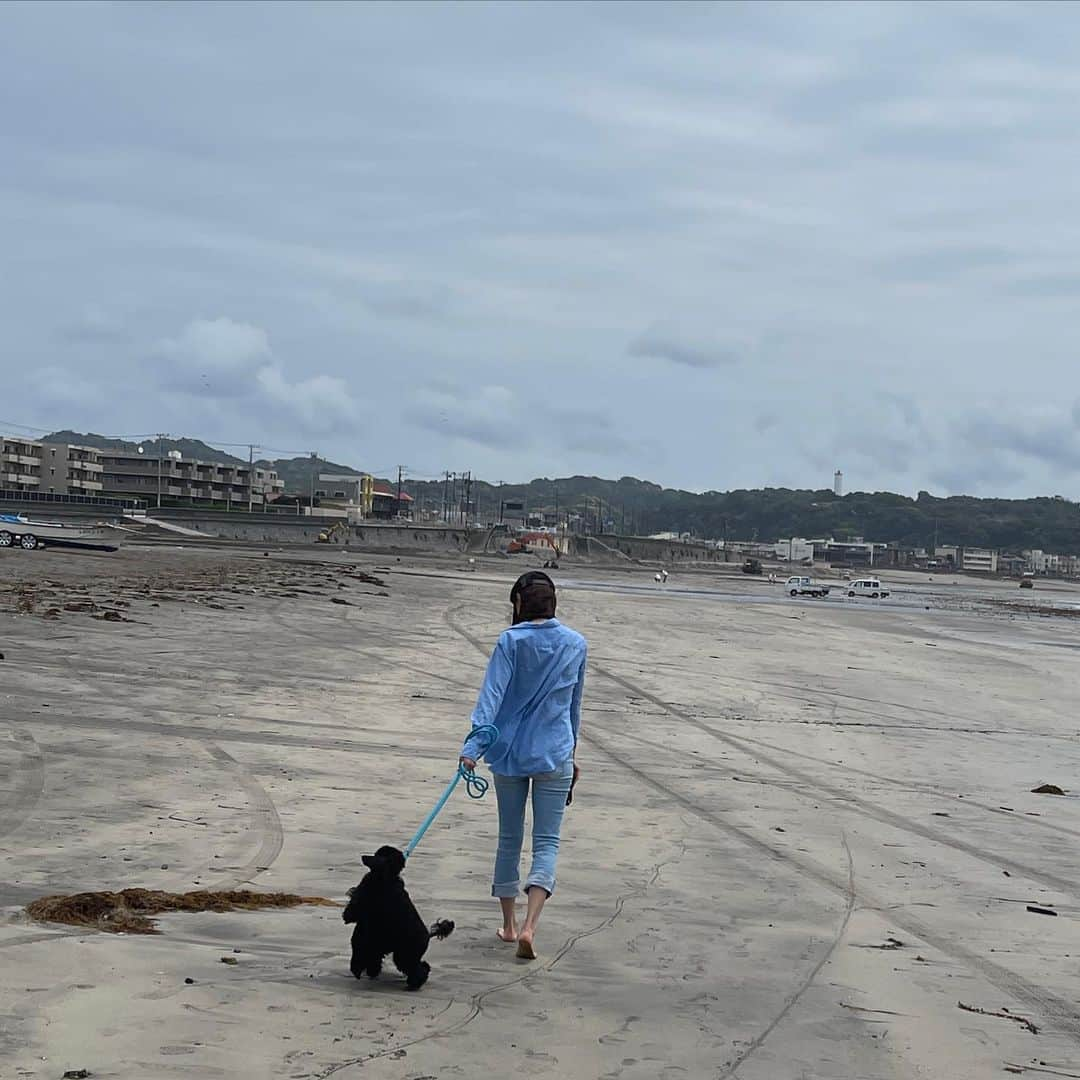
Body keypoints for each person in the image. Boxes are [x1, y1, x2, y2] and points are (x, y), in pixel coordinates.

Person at [460, 571, 587, 960]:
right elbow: (574, 705)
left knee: (509, 839)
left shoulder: (510, 641)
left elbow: (492, 697)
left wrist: (474, 746)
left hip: (510, 754)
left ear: (518, 603)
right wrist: (572, 752)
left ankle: (511, 926)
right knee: (547, 842)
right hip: (555, 752)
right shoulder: (575, 644)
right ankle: (532, 926)